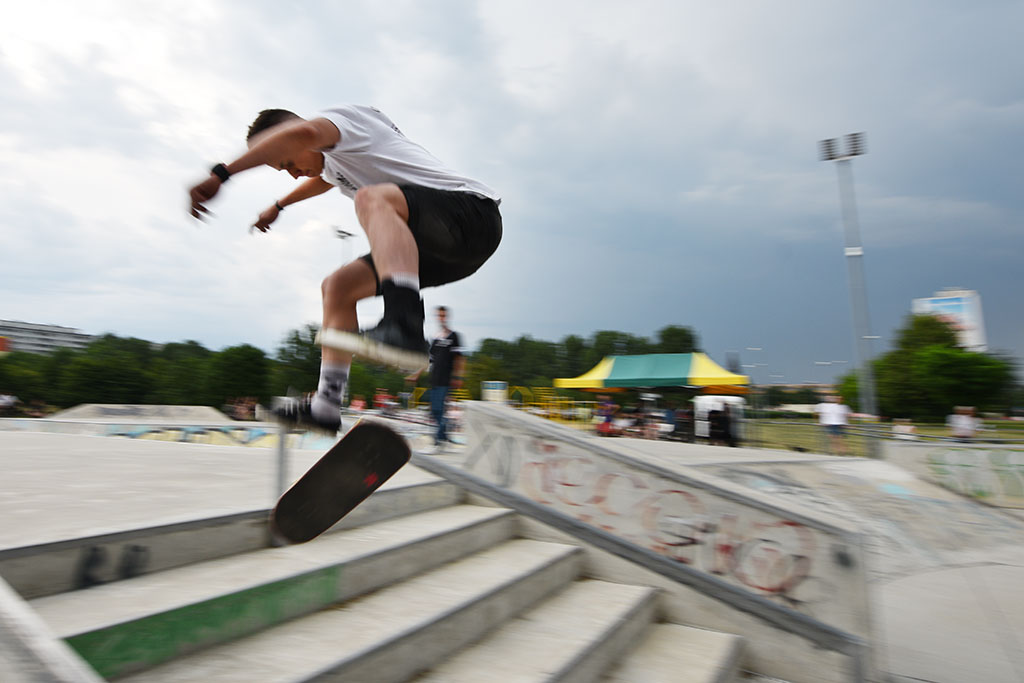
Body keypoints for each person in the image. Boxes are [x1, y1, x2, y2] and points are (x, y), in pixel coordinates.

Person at [187, 105, 502, 433]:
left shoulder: (346, 122)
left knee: (370, 199)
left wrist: (222, 174)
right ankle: (326, 404)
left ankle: (404, 325)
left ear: (296, 135)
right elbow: (324, 180)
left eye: (287, 162)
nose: (293, 173)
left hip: (471, 217)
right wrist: (279, 205)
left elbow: (303, 134)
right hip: (439, 253)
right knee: (337, 286)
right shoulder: (335, 163)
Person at [409, 306, 465, 452]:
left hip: (446, 379)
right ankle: (445, 438)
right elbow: (429, 360)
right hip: (434, 378)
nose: (441, 319)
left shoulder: (453, 337)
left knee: (440, 409)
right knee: (434, 411)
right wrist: (417, 374)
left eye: (443, 316)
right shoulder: (436, 337)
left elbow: (459, 358)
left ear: (447, 317)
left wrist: (458, 376)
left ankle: (438, 442)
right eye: (439, 316)